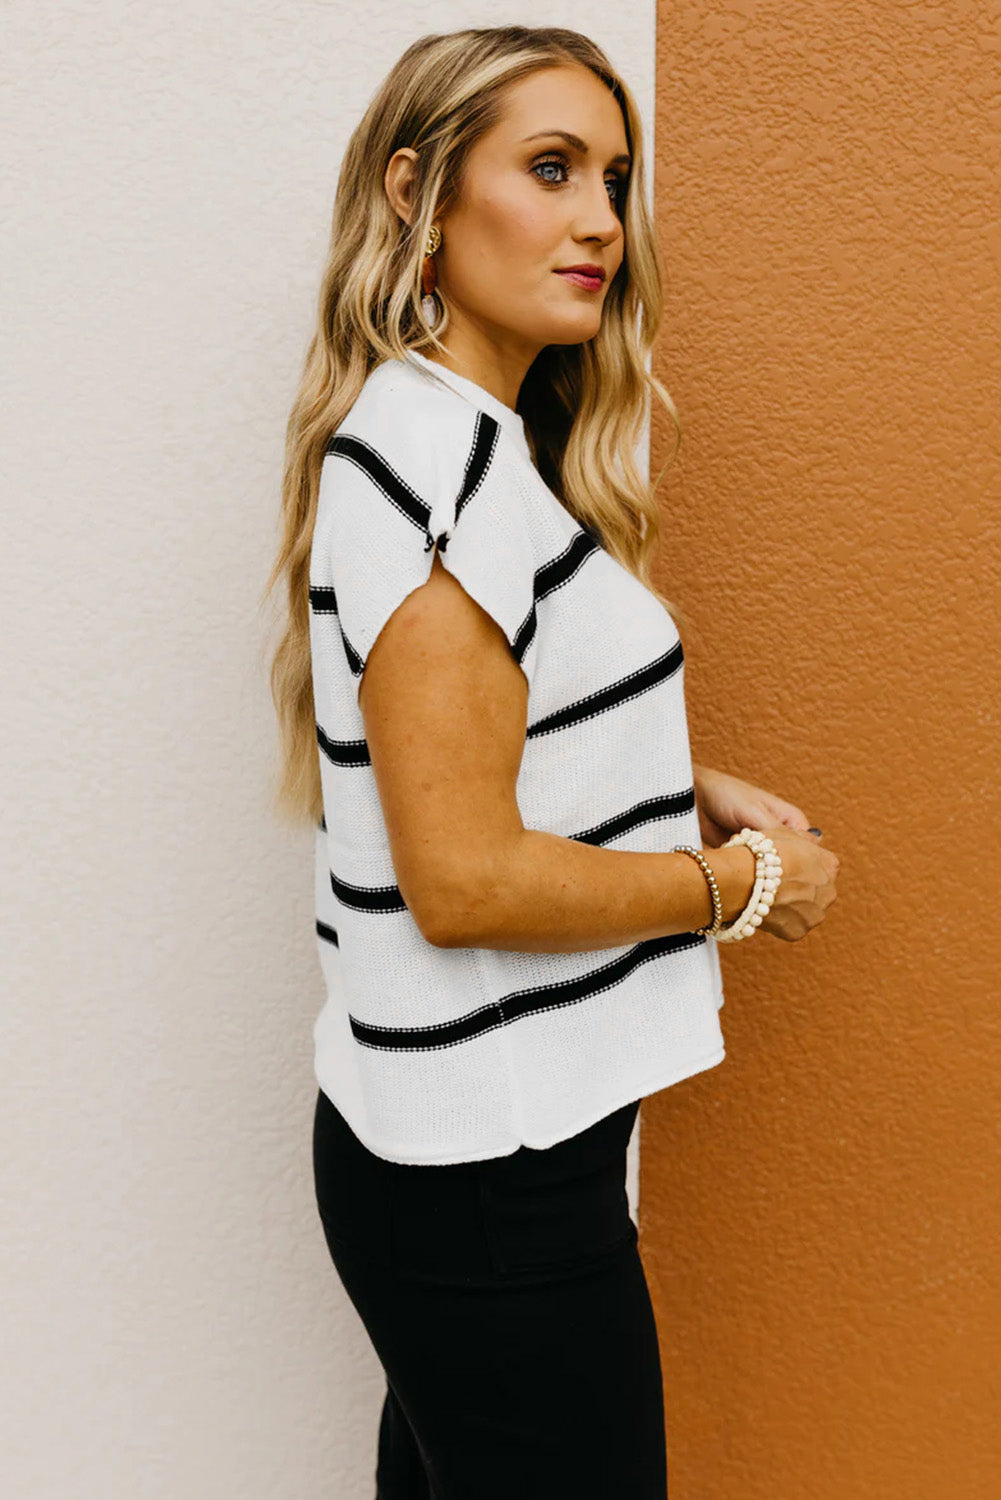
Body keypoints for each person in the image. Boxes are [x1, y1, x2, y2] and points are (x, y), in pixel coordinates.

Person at [264, 24, 840, 1500]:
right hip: (488, 1187)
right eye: (550, 168)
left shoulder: (458, 439)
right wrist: (736, 883)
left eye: (614, 180)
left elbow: (485, 738)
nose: (599, 221)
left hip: (480, 1161)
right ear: (417, 194)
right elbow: (461, 880)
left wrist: (671, 781)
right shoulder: (444, 470)